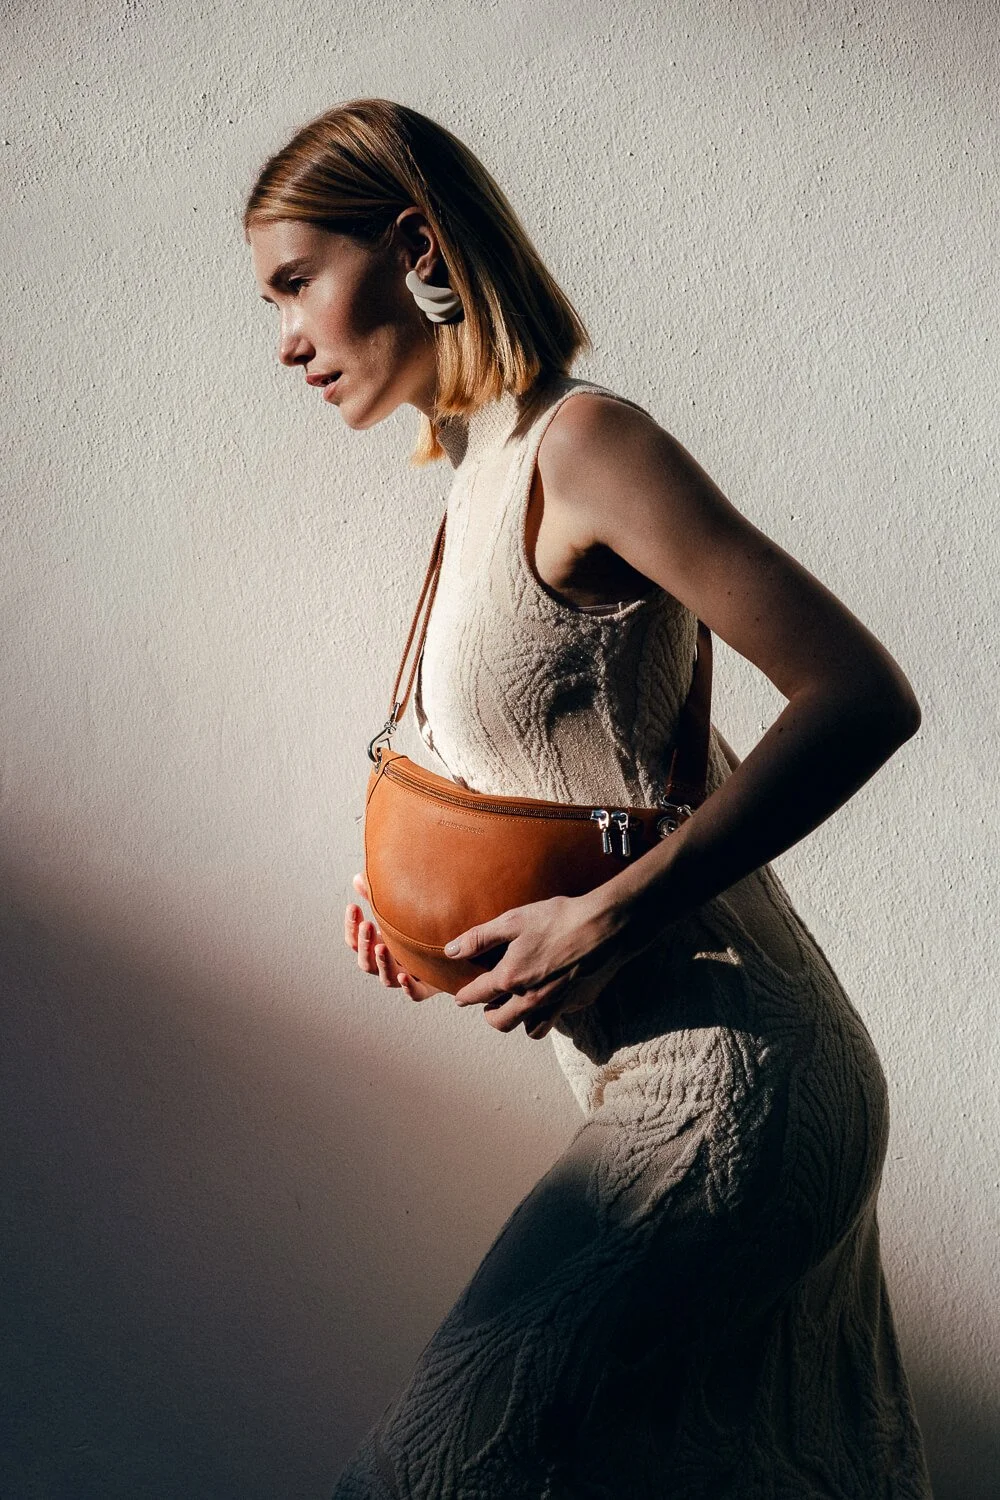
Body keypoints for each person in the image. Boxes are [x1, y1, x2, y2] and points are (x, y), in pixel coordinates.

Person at [246, 98, 932, 1499]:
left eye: (294, 282)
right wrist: (422, 914)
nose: (286, 342)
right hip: (655, 1071)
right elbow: (551, 774)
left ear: (415, 244)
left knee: (431, 1470)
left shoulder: (586, 444)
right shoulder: (480, 479)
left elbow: (861, 695)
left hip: (736, 1078)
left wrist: (611, 918)